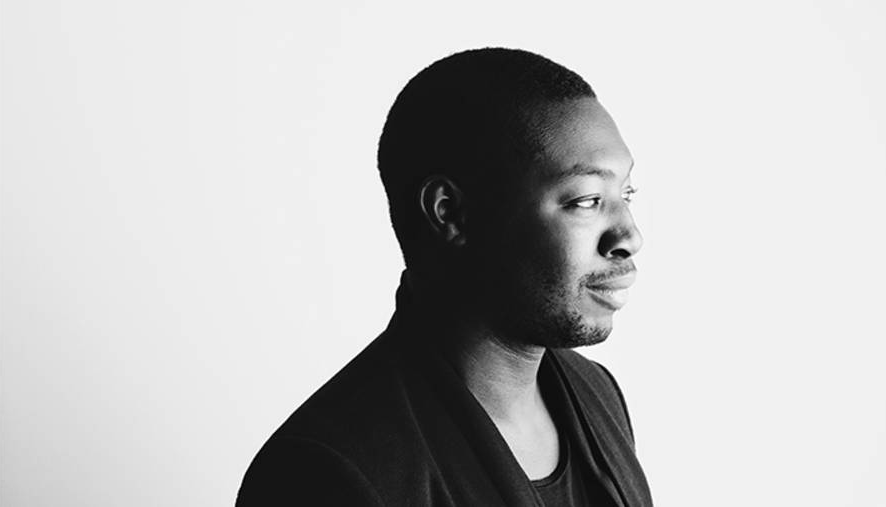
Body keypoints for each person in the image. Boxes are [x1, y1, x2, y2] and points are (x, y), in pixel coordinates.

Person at [237, 47, 652, 506]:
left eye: (627, 193)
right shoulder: (325, 473)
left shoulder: (597, 394)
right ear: (450, 213)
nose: (629, 236)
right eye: (587, 200)